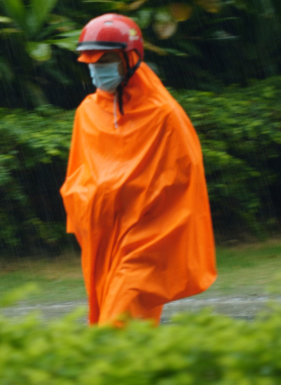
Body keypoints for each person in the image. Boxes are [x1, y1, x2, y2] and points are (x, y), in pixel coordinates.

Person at [60, 14, 217, 327]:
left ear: (129, 58)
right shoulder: (88, 113)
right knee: (112, 318)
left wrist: (133, 195)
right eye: (89, 60)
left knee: (119, 318)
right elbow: (78, 176)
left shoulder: (164, 115)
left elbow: (184, 179)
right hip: (104, 238)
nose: (95, 67)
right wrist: (89, 201)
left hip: (150, 237)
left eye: (104, 59)